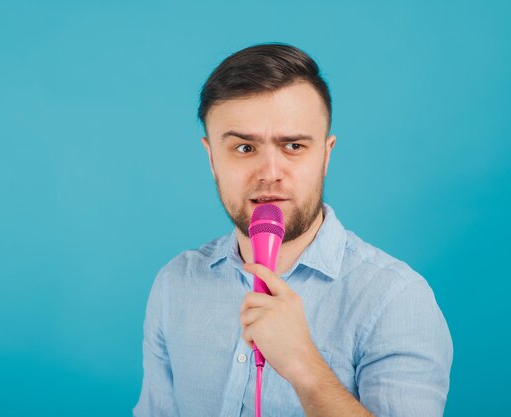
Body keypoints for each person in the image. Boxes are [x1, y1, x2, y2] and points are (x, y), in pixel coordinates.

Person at [133, 43, 453, 417]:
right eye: (244, 148)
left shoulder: (396, 299)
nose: (270, 172)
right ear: (211, 158)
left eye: (294, 145)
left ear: (326, 155)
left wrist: (304, 367)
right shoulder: (176, 284)